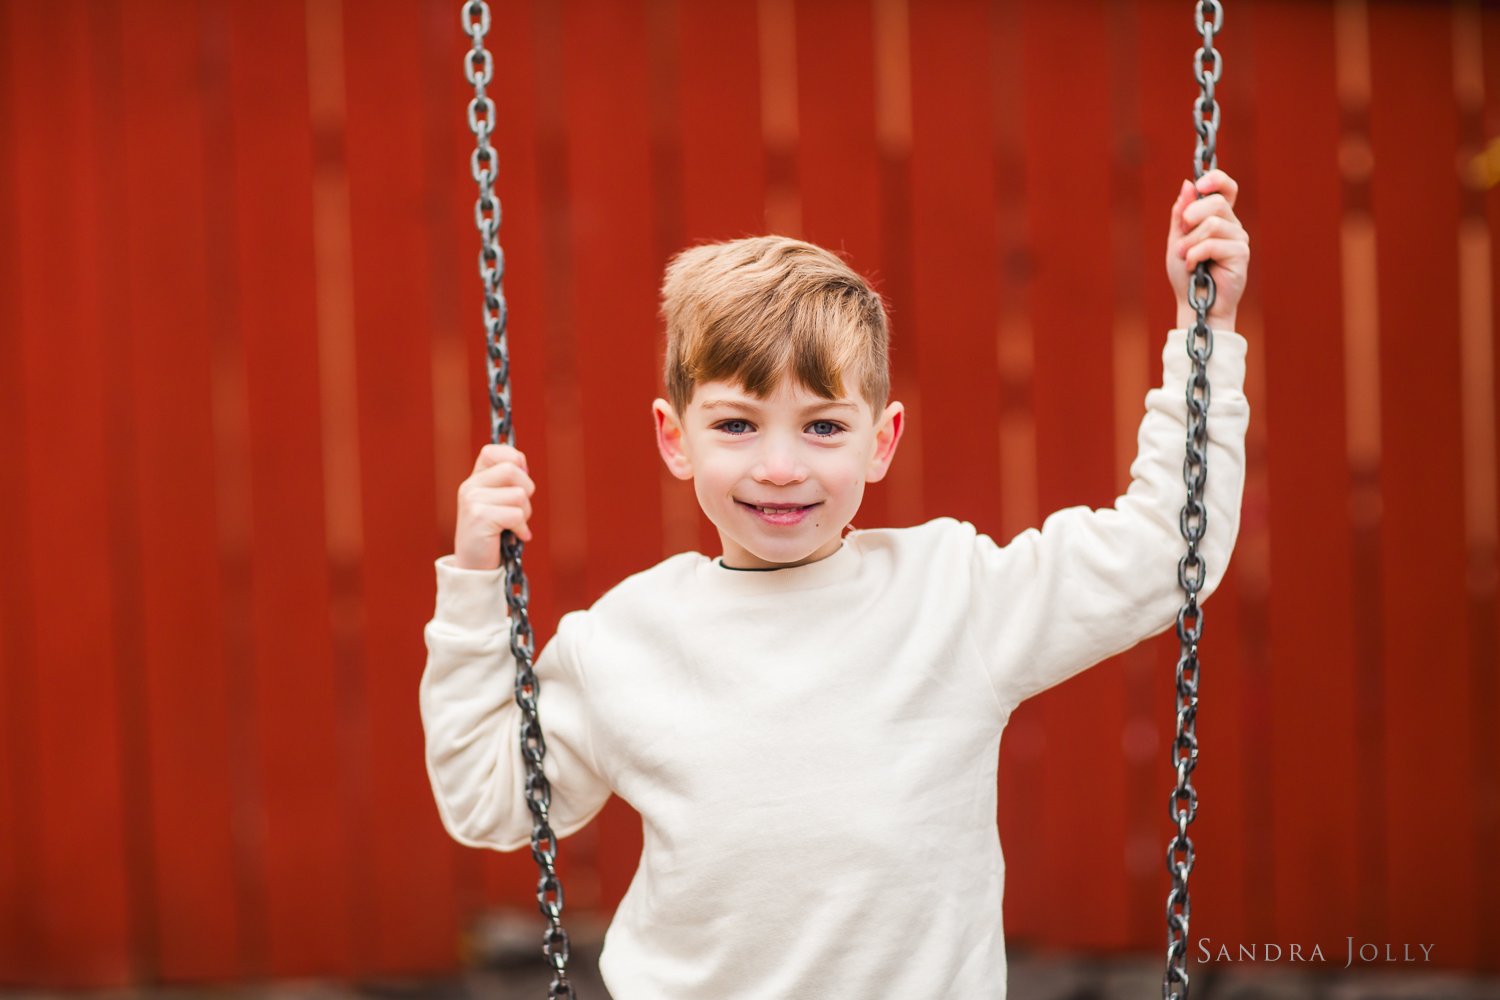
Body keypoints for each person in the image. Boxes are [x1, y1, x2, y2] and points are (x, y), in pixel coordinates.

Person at [420, 170, 1251, 998]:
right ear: (675, 439)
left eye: (823, 427)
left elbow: (1165, 551)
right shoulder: (627, 640)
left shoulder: (951, 598)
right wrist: (472, 581)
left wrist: (1202, 328)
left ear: (881, 441)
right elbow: (491, 800)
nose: (781, 468)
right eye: (737, 425)